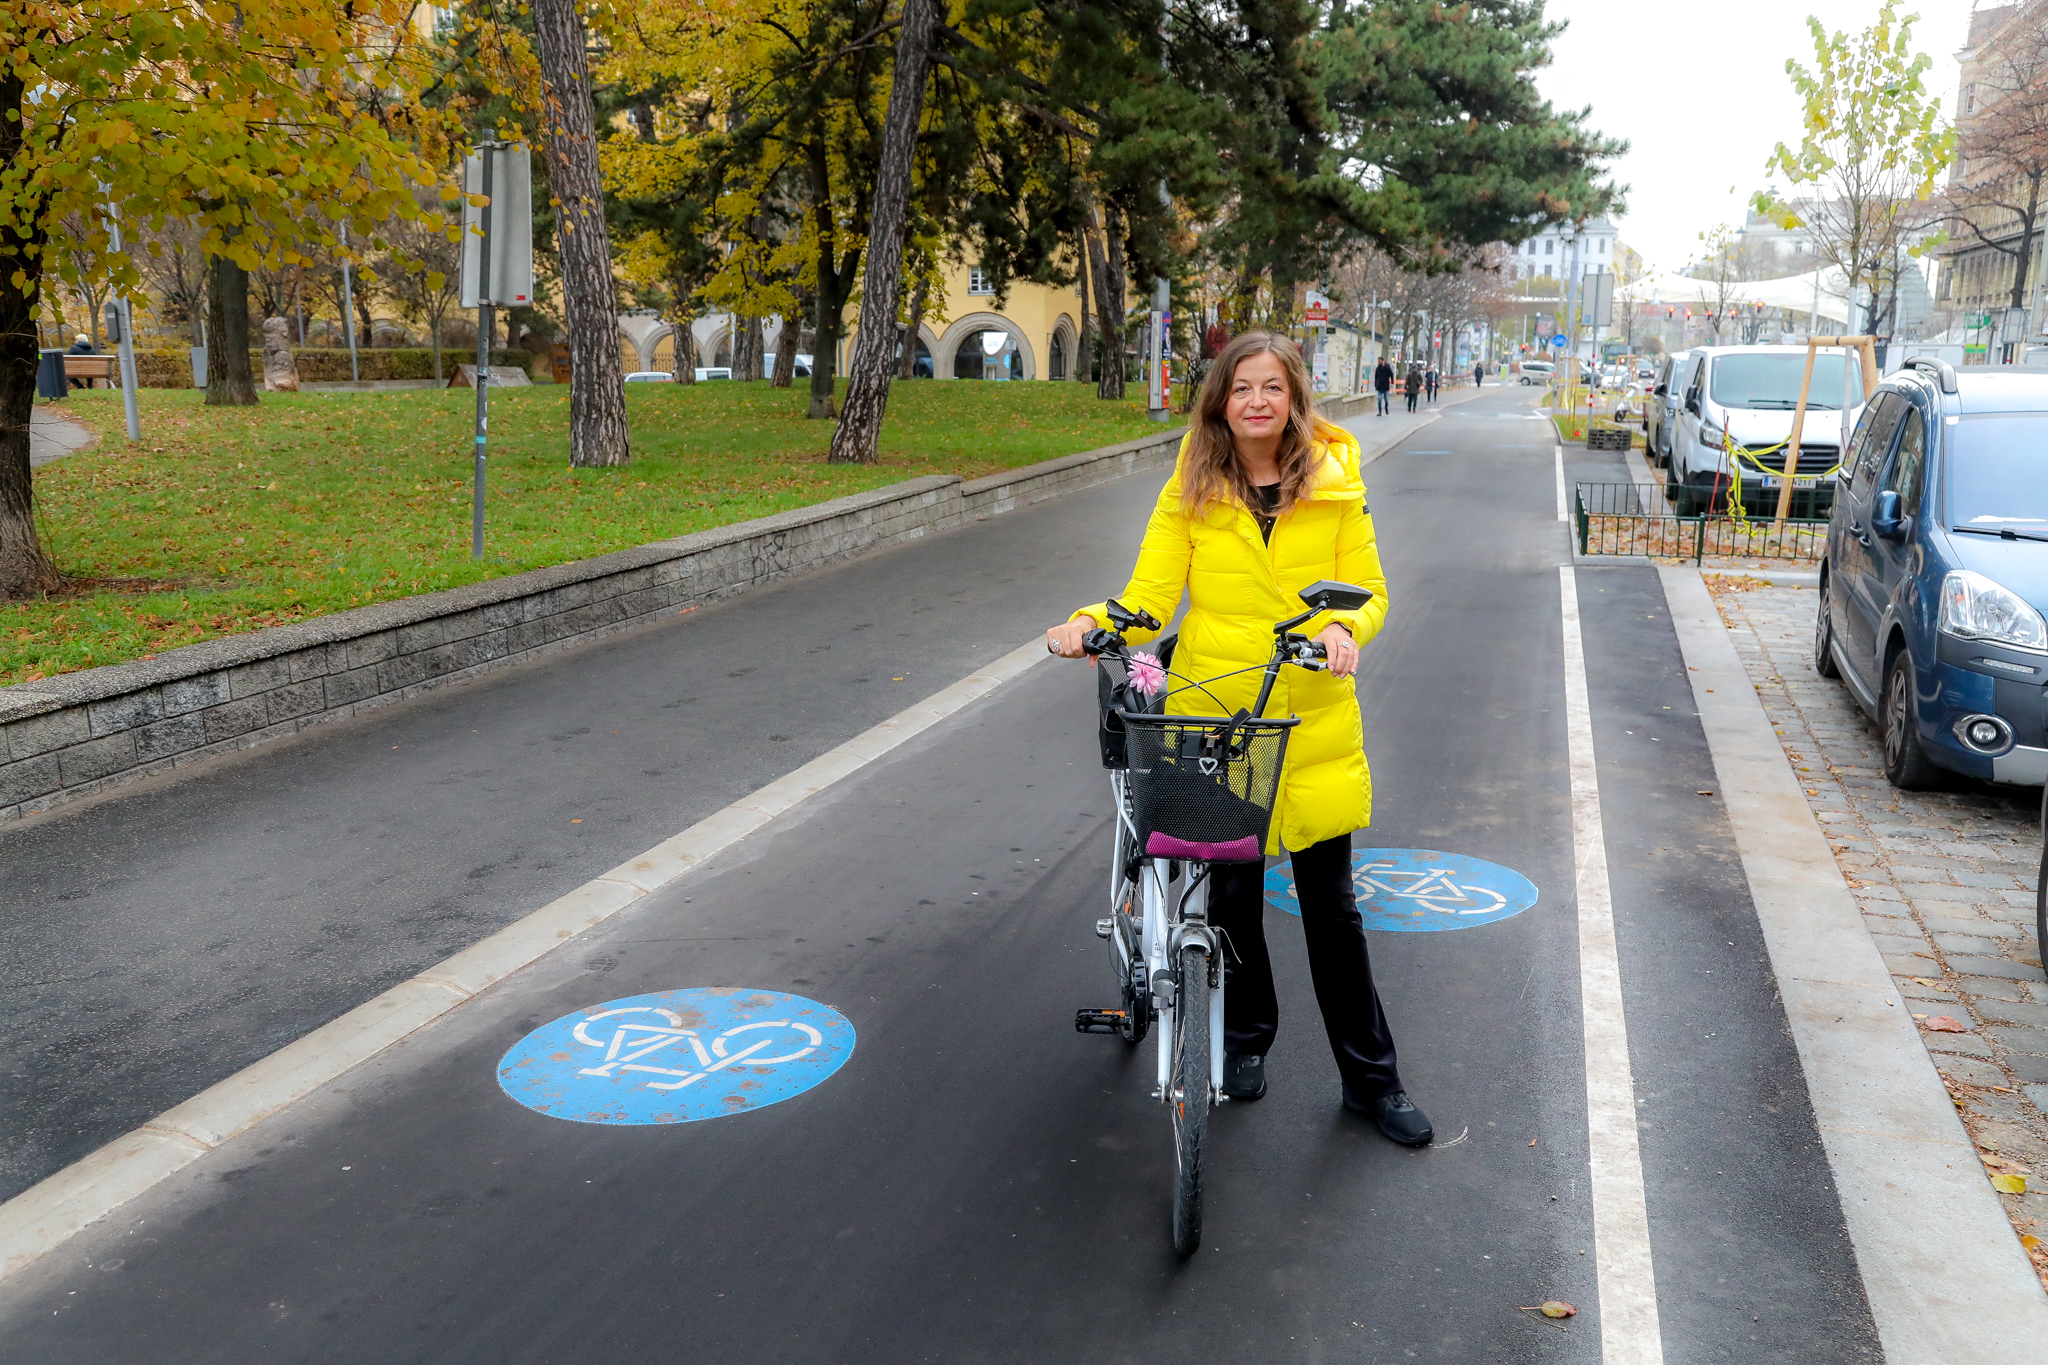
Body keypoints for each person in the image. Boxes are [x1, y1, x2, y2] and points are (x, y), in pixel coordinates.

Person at [1045, 330, 1431, 1147]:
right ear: (1221, 398)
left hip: (1310, 716)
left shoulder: (1334, 486)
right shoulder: (1191, 485)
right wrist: (1092, 622)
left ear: (1294, 398)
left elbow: (1369, 591)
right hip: (1218, 713)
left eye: (1273, 388)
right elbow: (1148, 596)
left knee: (1332, 910)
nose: (1257, 401)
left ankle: (1372, 1079)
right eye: (1242, 387)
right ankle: (1246, 1039)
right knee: (1230, 898)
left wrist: (1341, 627)